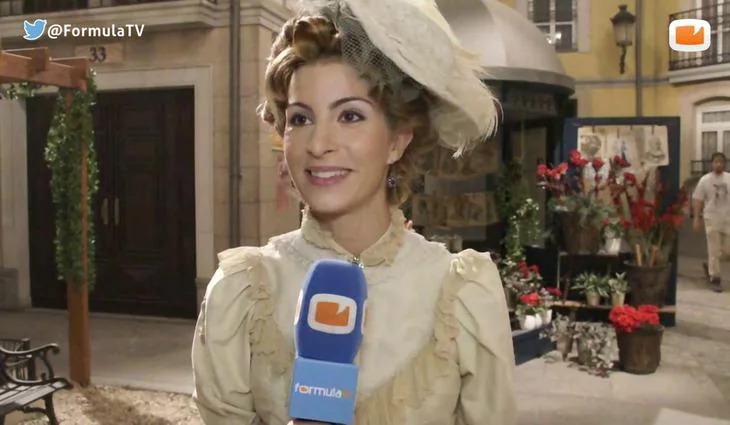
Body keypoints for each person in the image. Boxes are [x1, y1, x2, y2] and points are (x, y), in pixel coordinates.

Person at [191, 0, 516, 424]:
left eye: (349, 115)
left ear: (397, 140)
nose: (318, 144)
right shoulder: (243, 289)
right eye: (300, 119)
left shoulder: (460, 291)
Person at [693, 151, 730, 293]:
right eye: (716, 162)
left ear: (724, 164)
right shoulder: (705, 180)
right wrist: (696, 218)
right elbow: (698, 199)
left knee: (726, 250)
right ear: (712, 164)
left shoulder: (729, 178)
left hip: (727, 219)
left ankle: (710, 266)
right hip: (712, 218)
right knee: (714, 250)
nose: (718, 164)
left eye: (721, 162)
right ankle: (715, 277)